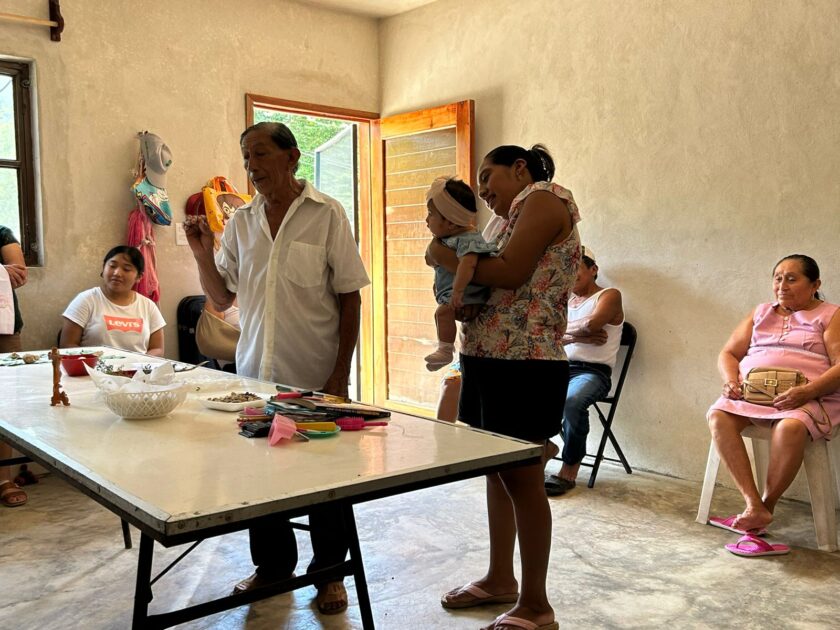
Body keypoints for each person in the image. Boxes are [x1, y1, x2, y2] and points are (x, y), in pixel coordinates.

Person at [184, 121, 369, 614]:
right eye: (246, 156)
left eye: (261, 154)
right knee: (260, 479)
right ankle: (273, 567)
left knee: (326, 481)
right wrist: (201, 252)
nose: (251, 166)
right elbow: (222, 296)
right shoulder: (241, 223)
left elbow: (349, 297)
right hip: (254, 378)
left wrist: (340, 373)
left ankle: (329, 574)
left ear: (292, 157)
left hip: (315, 375)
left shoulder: (327, 214)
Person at [431, 144, 579, 630]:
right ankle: (500, 578)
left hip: (526, 364)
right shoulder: (505, 219)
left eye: (487, 176)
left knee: (522, 478)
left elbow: (511, 274)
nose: (483, 190)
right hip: (489, 358)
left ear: (519, 169)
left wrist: (442, 253)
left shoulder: (544, 198)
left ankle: (537, 605)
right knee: (497, 473)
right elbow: (489, 281)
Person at [707, 254, 840, 556]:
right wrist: (731, 381)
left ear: (815, 284)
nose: (782, 285)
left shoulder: (831, 315)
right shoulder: (760, 312)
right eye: (778, 278)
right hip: (754, 394)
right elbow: (729, 353)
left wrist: (807, 392)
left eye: (792, 279)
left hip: (810, 396)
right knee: (718, 416)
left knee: (790, 427)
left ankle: (764, 508)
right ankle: (753, 504)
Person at [544, 247, 624, 496]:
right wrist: (576, 337)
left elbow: (591, 324)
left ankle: (569, 469)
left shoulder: (609, 295)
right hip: (559, 366)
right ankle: (544, 448)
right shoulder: (564, 301)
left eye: (575, 267)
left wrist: (565, 332)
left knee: (572, 401)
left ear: (593, 269)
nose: (569, 274)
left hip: (593, 372)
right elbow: (545, 332)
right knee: (520, 392)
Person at [423, 176, 497, 371]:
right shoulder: (450, 238)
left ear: (451, 223)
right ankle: (443, 352)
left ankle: (445, 351)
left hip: (467, 296)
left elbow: (468, 264)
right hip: (459, 297)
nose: (426, 220)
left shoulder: (468, 239)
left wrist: (457, 291)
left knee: (442, 312)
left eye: (431, 214)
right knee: (441, 314)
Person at [60, 246, 165, 356]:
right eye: (112, 266)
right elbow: (68, 345)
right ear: (103, 267)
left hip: (139, 366)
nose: (117, 273)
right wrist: (94, 363)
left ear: (139, 277)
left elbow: (157, 348)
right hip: (93, 366)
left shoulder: (148, 306)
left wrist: (140, 363)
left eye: (126, 269)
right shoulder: (86, 300)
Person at [0, 225, 28, 508]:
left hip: (4, 330)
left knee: (4, 406)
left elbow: (18, 274)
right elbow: (6, 272)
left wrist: (8, 272)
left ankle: (3, 479)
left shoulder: (1, 233)